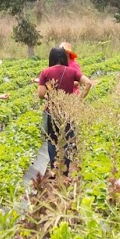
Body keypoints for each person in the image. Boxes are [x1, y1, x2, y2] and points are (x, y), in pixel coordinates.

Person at [37, 46, 90, 176]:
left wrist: (50, 97)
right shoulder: (72, 71)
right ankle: (65, 169)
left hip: (52, 111)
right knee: (67, 140)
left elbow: (40, 93)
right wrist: (78, 99)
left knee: (52, 139)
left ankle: (54, 168)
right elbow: (88, 83)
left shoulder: (45, 72)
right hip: (68, 110)